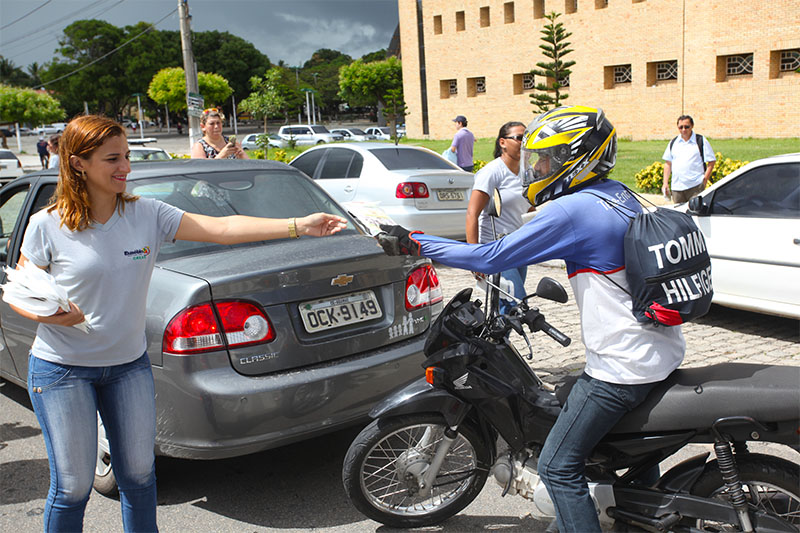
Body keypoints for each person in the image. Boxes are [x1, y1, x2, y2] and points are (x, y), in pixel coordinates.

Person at [9, 115, 346, 532]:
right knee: (73, 487)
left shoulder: (146, 214)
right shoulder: (48, 225)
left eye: (127, 156)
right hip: (62, 369)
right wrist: (53, 315)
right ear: (78, 163)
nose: (125, 168)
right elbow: (20, 292)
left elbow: (221, 227)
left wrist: (298, 226)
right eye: (112, 159)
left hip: (127, 367)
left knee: (137, 476)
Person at [377, 105, 685, 533]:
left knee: (559, 466)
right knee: (611, 448)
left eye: (546, 160)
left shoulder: (575, 210)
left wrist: (417, 242)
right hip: (662, 352)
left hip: (622, 368)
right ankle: (634, 515)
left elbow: (494, 256)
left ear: (576, 159)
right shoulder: (618, 194)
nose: (537, 168)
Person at [465, 120, 532, 314]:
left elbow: (529, 209)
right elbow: (472, 213)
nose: (524, 142)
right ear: (503, 142)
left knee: (504, 309)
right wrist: (473, 256)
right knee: (516, 303)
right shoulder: (492, 172)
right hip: (496, 248)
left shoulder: (526, 171)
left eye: (526, 138)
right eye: (519, 138)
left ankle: (491, 344)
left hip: (519, 247)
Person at [661, 115, 716, 203]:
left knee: (695, 215)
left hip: (695, 187)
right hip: (677, 188)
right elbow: (668, 163)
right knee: (679, 215)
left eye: (687, 127)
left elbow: (711, 161)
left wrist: (704, 180)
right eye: (680, 127)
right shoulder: (673, 142)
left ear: (692, 126)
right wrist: (665, 183)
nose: (683, 130)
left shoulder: (700, 141)